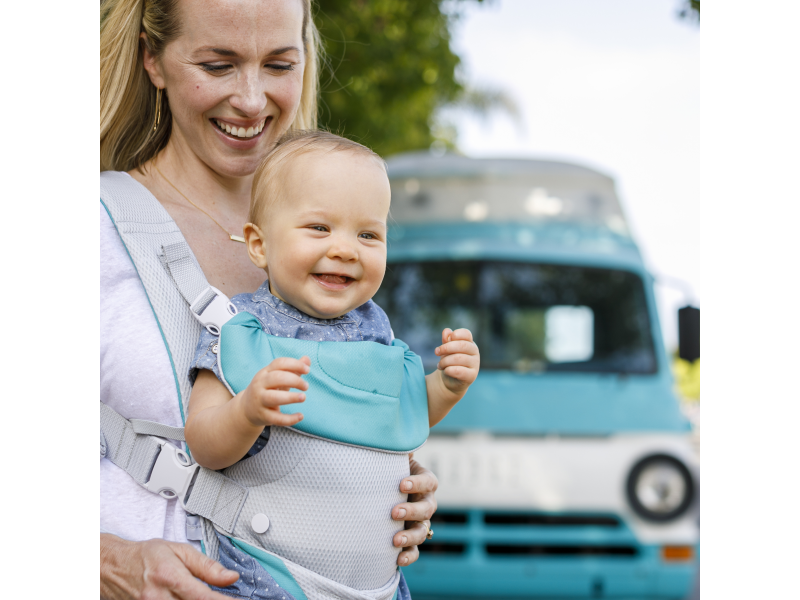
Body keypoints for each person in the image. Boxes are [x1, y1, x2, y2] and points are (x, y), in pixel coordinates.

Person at [100, 1, 440, 598]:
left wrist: (385, 492)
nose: (253, 101)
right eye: (218, 64)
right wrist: (110, 564)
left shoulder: (336, 248)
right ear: (153, 59)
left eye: (280, 64)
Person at [184, 130, 480, 599]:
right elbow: (202, 442)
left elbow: (400, 414)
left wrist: (446, 385)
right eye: (319, 228)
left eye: (368, 234)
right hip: (269, 578)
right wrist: (246, 411)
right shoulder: (242, 331)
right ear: (259, 245)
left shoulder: (379, 335)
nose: (346, 249)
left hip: (378, 588)